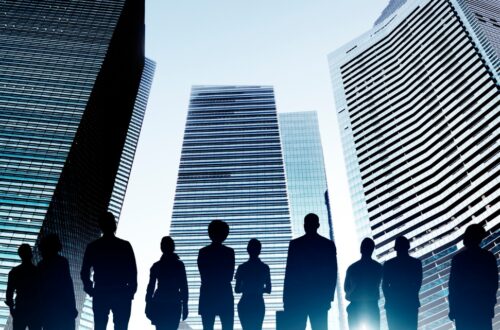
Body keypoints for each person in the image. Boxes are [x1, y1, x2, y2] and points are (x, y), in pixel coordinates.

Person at [80, 211, 137, 330]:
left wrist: (90, 289)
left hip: (101, 291)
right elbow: (132, 272)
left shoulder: (93, 246)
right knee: (121, 327)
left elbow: (84, 271)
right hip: (121, 291)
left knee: (100, 326)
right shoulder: (125, 245)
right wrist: (130, 291)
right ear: (113, 225)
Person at [283, 213, 338, 330]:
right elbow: (332, 273)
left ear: (304, 225)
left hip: (298, 297)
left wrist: (286, 298)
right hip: (319, 298)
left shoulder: (295, 244)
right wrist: (328, 297)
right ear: (318, 225)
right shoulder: (328, 245)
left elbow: (289, 273)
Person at [448, 224, 498, 330]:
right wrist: (490, 304)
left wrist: (452, 308)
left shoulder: (458, 259)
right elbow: (493, 283)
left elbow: (453, 286)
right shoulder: (488, 257)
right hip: (482, 305)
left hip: (463, 307)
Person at [198, 220, 235, 330]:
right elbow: (229, 276)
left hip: (207, 294)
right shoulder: (229, 252)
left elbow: (203, 275)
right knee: (227, 326)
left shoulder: (203, 252)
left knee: (207, 327)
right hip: (224, 294)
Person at [145, 236, 189, 330]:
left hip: (160, 301)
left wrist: (148, 304)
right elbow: (184, 286)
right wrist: (185, 305)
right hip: (174, 302)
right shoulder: (179, 265)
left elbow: (151, 287)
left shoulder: (157, 266)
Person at [38, 234, 78, 330]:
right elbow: (68, 285)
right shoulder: (62, 262)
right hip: (63, 307)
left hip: (48, 309)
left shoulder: (41, 265)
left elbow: (39, 290)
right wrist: (72, 306)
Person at [382, 236, 422, 330]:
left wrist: (389, 299)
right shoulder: (416, 263)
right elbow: (418, 283)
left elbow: (384, 285)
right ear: (408, 246)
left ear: (395, 248)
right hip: (410, 303)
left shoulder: (388, 264)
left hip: (393, 305)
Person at [344, 238, 382, 330]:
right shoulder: (378, 267)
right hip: (372, 305)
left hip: (355, 305)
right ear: (372, 250)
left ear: (361, 249)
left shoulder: (352, 268)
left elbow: (346, 288)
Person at [235, 239, 271, 330]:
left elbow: (237, 290)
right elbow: (269, 289)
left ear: (247, 249)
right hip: (258, 302)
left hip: (245, 302)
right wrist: (257, 288)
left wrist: (247, 287)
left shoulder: (242, 267)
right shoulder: (265, 267)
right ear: (259, 250)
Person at [5, 244, 41, 330]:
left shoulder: (15, 272)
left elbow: (9, 292)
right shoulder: (37, 271)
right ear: (31, 254)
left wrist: (12, 309)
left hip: (20, 307)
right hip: (34, 309)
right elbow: (41, 291)